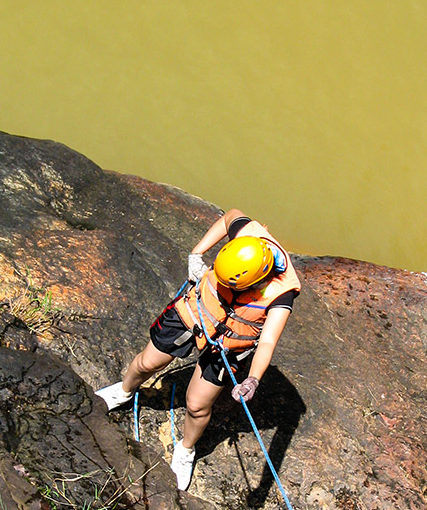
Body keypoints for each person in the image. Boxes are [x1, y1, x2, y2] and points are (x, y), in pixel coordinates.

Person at [96, 209, 301, 490]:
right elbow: (231, 215)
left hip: (229, 344)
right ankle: (124, 391)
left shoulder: (282, 291)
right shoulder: (249, 236)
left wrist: (252, 378)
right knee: (147, 363)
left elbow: (267, 341)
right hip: (197, 311)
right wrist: (196, 253)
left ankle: (186, 450)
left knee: (197, 405)